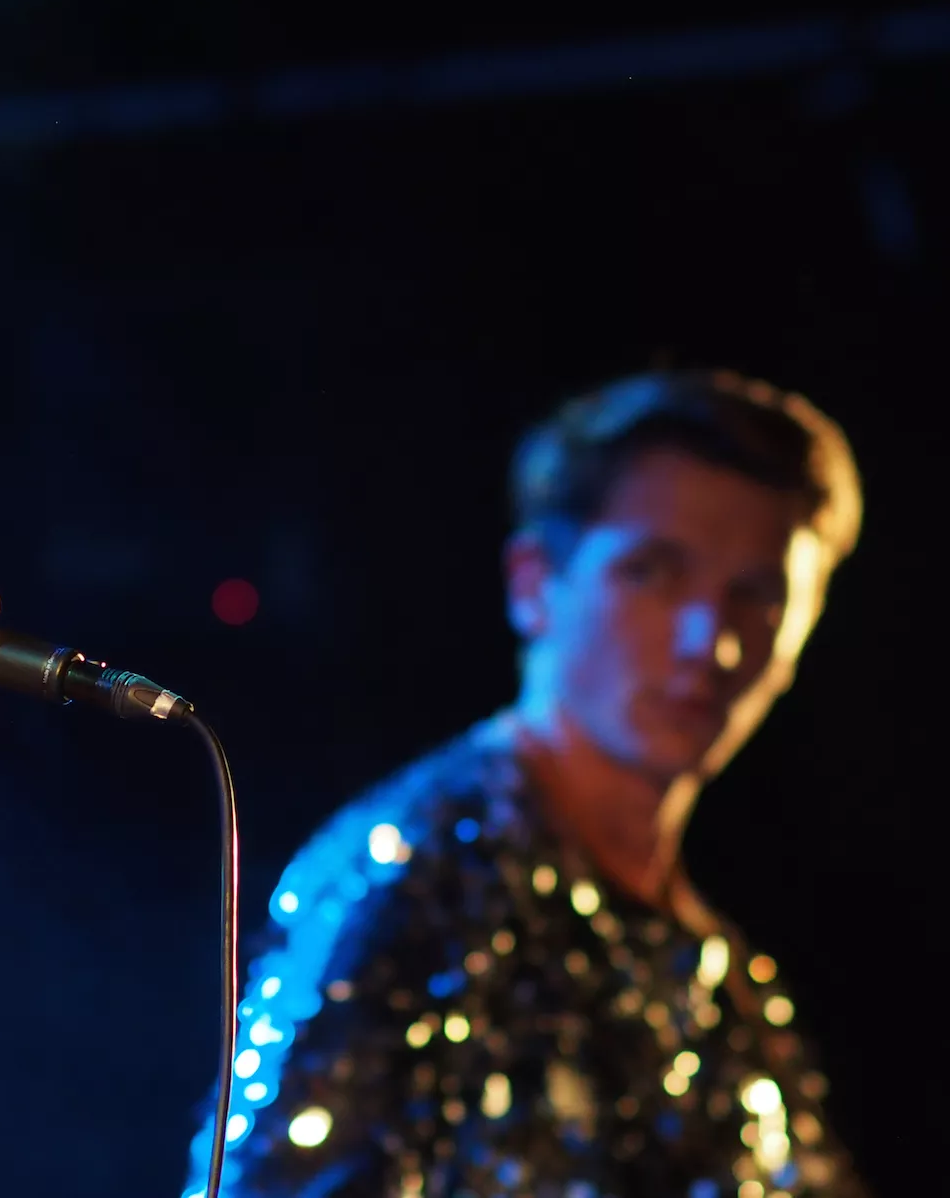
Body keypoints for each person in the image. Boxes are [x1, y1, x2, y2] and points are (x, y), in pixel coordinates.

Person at [183, 370, 868, 1198]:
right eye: (654, 572)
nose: (711, 642)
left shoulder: (725, 976)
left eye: (756, 596)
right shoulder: (418, 884)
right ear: (534, 584)